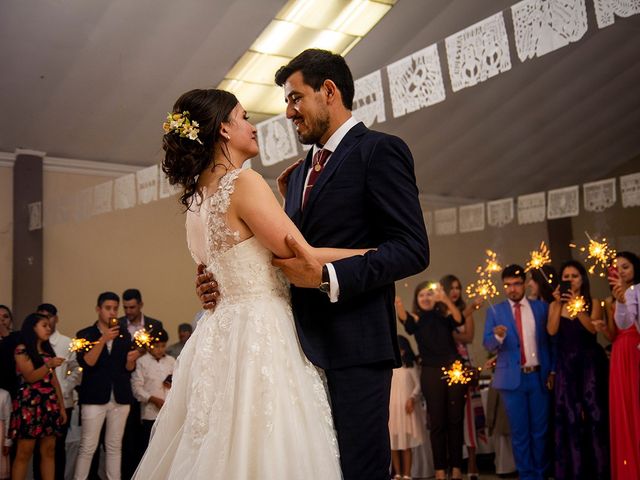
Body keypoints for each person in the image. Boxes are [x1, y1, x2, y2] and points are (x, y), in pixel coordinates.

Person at [195, 48, 429, 480]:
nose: (288, 112)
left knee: (360, 471)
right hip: (294, 349)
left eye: (294, 98)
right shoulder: (299, 174)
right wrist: (219, 281)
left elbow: (412, 248)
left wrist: (328, 276)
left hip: (355, 345)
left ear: (329, 91)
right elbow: (279, 250)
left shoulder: (380, 151)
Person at [133, 87, 378, 480]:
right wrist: (372, 253)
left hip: (217, 335)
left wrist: (283, 205)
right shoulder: (244, 185)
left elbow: (221, 267)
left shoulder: (196, 200)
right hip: (261, 333)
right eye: (244, 117)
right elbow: (303, 255)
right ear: (224, 130)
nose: (253, 126)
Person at [483, 264, 553, 480]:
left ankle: (541, 474)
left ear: (524, 283)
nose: (512, 289)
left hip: (538, 376)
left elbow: (551, 342)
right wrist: (498, 337)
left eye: (516, 284)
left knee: (540, 432)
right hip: (511, 381)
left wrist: (554, 370)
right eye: (507, 285)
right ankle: (527, 476)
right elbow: (487, 344)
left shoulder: (541, 308)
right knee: (520, 434)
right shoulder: (495, 310)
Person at [396, 282, 465, 480]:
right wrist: (398, 303)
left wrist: (444, 299)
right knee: (437, 423)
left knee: (455, 420)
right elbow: (405, 320)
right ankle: (440, 470)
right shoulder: (416, 319)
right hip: (430, 372)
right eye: (421, 295)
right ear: (417, 299)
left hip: (454, 370)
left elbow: (459, 320)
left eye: (429, 294)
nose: (425, 298)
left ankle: (457, 468)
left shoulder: (444, 315)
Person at [548, 260, 609, 479]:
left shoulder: (592, 301)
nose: (570, 280)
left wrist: (577, 306)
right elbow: (552, 331)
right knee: (569, 416)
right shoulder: (554, 305)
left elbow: (593, 329)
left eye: (574, 276)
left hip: (589, 364)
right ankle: (573, 470)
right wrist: (557, 304)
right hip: (566, 365)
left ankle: (599, 468)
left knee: (594, 414)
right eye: (566, 277)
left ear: (582, 279)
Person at [73, 292, 141, 480]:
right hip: (94, 396)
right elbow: (88, 363)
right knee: (88, 446)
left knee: (114, 446)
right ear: (98, 309)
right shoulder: (86, 334)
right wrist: (103, 339)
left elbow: (127, 369)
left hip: (120, 396)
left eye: (115, 308)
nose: (112, 313)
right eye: (108, 308)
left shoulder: (124, 335)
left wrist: (131, 360)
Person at [9, 313, 67, 480]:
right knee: (24, 451)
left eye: (49, 326)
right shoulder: (22, 349)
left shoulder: (47, 351)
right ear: (32, 328)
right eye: (44, 325)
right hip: (29, 404)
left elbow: (54, 382)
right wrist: (48, 365)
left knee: (49, 450)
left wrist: (61, 407)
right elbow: (31, 377)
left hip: (49, 404)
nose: (48, 329)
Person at [440, 274, 483, 480]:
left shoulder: (466, 312)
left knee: (468, 417)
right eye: (452, 288)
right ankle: (450, 464)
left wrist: (447, 333)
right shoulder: (439, 311)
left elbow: (468, 337)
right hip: (445, 367)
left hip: (464, 366)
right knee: (449, 418)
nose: (455, 291)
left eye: (458, 287)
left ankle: (472, 464)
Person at [117, 288, 161, 479]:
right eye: (125, 307)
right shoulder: (117, 325)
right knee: (127, 436)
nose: (128, 311)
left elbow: (158, 349)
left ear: (141, 305)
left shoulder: (154, 324)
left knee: (147, 436)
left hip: (149, 387)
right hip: (124, 385)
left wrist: (142, 354)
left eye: (132, 307)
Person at [34, 303, 80, 480]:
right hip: (38, 402)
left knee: (57, 447)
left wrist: (66, 387)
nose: (46, 321)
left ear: (56, 318)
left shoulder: (66, 343)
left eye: (49, 317)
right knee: (37, 449)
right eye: (42, 317)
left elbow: (77, 369)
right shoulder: (34, 344)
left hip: (62, 400)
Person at [605, 251, 640, 479]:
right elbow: (623, 322)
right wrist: (621, 301)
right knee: (627, 406)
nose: (621, 271)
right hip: (623, 353)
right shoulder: (625, 293)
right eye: (617, 267)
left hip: (635, 352)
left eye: (625, 266)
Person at [131, 328, 175, 453]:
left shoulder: (171, 361)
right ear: (149, 345)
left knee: (166, 447)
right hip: (150, 414)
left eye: (163, 346)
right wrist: (152, 399)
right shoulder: (141, 362)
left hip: (169, 411)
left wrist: (172, 383)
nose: (160, 349)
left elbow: (179, 379)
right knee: (149, 448)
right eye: (156, 346)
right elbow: (136, 387)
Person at [389, 335, 424, 480]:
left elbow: (418, 386)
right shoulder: (389, 367)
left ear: (403, 351)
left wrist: (412, 398)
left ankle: (407, 474)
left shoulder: (410, 366)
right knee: (393, 443)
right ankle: (397, 473)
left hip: (405, 408)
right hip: (392, 408)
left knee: (405, 443)